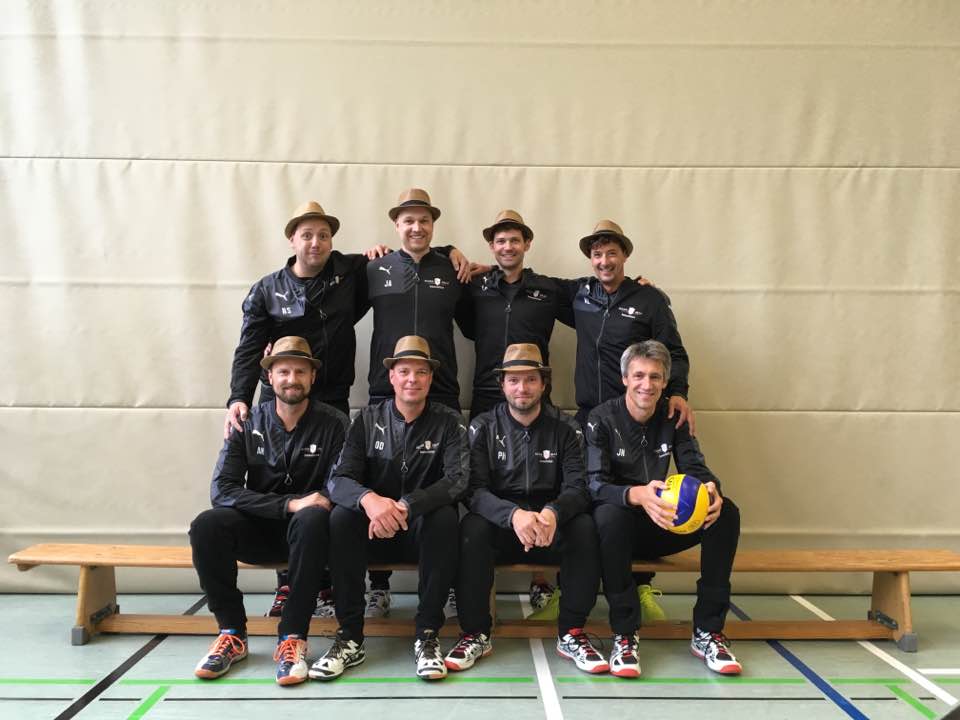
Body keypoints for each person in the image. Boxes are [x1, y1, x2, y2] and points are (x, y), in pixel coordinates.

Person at [222, 200, 466, 618]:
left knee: (331, 488)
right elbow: (249, 347)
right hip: (284, 394)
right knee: (282, 483)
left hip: (331, 396)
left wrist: (449, 251)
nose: (315, 243)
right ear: (292, 239)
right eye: (307, 235)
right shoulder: (268, 289)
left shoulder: (349, 269)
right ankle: (290, 584)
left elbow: (414, 250)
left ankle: (329, 584)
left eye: (323, 235)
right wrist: (238, 397)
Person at [190, 337, 349, 685]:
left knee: (313, 518)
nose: (292, 379)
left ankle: (292, 638)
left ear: (312, 377)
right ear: (270, 377)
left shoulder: (335, 423)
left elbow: (341, 484)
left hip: (311, 539)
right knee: (206, 525)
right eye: (284, 371)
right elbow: (223, 490)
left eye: (300, 371)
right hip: (259, 531)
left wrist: (307, 505)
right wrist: (288, 504)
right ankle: (232, 633)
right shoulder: (247, 421)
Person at [313, 336, 469, 681]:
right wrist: (370, 500)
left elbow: (458, 480)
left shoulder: (449, 421)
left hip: (420, 533)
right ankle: (350, 637)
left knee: (445, 517)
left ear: (431, 378)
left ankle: (427, 635)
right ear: (392, 377)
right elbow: (338, 479)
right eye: (405, 371)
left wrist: (407, 505)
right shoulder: (366, 419)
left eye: (421, 372)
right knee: (341, 517)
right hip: (372, 532)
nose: (413, 379)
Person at [445, 344, 607, 674]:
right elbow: (472, 490)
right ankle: (475, 633)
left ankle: (572, 633)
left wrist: (552, 513)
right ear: (502, 384)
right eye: (514, 380)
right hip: (503, 528)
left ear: (543, 384)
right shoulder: (482, 427)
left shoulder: (567, 428)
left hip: (550, 528)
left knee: (585, 527)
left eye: (531, 379)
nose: (522, 388)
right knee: (471, 528)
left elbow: (579, 487)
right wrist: (513, 515)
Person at [587, 340, 742, 677]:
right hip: (619, 528)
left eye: (655, 377)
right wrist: (637, 495)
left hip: (664, 522)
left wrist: (712, 490)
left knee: (726, 512)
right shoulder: (600, 418)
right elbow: (594, 484)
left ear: (664, 382)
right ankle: (625, 635)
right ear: (625, 378)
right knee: (608, 516)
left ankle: (707, 632)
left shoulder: (674, 417)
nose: (647, 384)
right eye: (639, 375)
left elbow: (695, 467)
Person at [364, 188, 472, 617]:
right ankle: (379, 585)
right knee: (383, 483)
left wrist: (456, 253)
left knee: (447, 489)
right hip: (385, 389)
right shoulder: (373, 268)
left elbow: (480, 319)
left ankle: (447, 582)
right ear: (396, 224)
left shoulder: (452, 269)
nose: (416, 227)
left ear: (433, 225)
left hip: (440, 389)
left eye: (424, 220)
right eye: (408, 220)